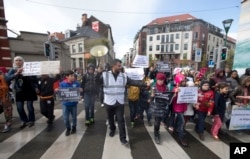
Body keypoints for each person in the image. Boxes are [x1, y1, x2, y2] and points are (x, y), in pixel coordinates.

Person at [100, 59, 150, 145]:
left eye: (121, 65)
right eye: (119, 65)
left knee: (121, 120)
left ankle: (123, 138)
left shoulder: (124, 76)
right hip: (109, 102)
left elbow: (134, 82)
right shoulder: (104, 75)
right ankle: (112, 129)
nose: (120, 67)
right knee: (111, 118)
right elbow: (96, 82)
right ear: (113, 66)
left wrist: (145, 85)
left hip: (119, 102)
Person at [6, 56, 38, 129]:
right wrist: (17, 73)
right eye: (16, 60)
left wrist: (25, 74)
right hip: (19, 91)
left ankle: (31, 120)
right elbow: (7, 79)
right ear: (14, 62)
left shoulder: (28, 68)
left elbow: (35, 79)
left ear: (23, 61)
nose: (18, 61)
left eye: (20, 60)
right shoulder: (13, 70)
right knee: (19, 107)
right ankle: (24, 120)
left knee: (30, 107)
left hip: (29, 90)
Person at [56, 70, 82, 136]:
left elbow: (79, 92)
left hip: (73, 104)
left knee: (74, 117)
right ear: (67, 76)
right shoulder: (62, 83)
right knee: (65, 118)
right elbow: (59, 92)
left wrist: (81, 91)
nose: (73, 77)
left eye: (73, 75)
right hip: (65, 105)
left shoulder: (76, 83)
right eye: (71, 76)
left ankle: (74, 127)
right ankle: (68, 128)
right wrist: (57, 91)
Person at [149, 73, 170, 144]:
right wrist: (152, 96)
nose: (160, 81)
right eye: (159, 80)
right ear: (156, 80)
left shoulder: (166, 87)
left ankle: (157, 130)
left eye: (162, 80)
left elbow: (168, 97)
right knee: (157, 122)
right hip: (156, 107)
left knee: (160, 120)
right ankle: (156, 134)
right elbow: (150, 99)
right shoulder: (153, 87)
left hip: (163, 107)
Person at [0, 67, 13, 132]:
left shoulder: (4, 77)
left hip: (4, 96)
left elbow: (5, 86)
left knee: (7, 111)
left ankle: (8, 124)